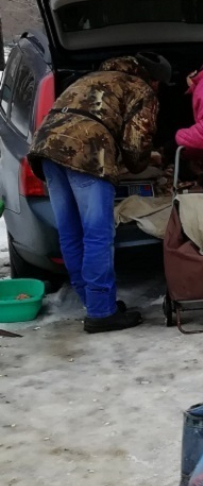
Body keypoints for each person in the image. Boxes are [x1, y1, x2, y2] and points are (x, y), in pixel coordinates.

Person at [28, 52, 170, 334]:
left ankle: (92, 302)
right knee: (97, 232)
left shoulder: (89, 78)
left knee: (71, 231)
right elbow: (135, 146)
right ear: (154, 80)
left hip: (47, 147)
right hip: (88, 152)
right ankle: (101, 312)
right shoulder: (140, 89)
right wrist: (149, 160)